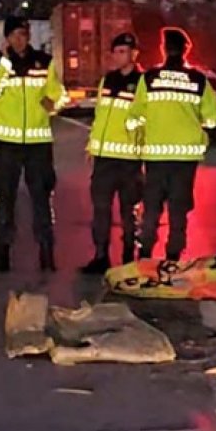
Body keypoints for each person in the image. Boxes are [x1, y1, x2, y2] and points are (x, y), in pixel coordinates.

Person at [0, 16, 66, 272]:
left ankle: (47, 252)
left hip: (38, 143)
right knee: (4, 199)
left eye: (24, 34)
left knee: (42, 199)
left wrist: (54, 105)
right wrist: (5, 64)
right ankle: (1, 252)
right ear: (7, 38)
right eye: (15, 35)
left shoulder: (44, 62)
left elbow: (57, 93)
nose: (20, 39)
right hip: (7, 144)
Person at [127, 27, 216, 262]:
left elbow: (135, 115)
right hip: (185, 159)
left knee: (151, 207)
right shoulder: (199, 80)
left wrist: (140, 128)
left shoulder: (149, 78)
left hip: (156, 157)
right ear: (186, 50)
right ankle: (173, 257)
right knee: (179, 209)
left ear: (163, 49)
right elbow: (213, 118)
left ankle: (145, 254)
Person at [81, 32, 144, 274]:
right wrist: (92, 147)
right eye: (115, 52)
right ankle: (100, 256)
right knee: (100, 211)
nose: (117, 57)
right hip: (104, 159)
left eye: (123, 52)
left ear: (134, 54)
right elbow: (100, 117)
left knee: (129, 212)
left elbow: (146, 117)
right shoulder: (107, 81)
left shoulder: (142, 83)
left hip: (129, 160)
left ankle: (129, 257)